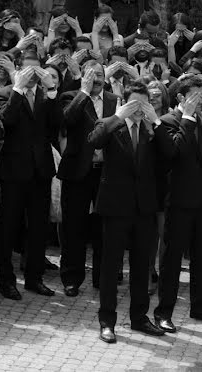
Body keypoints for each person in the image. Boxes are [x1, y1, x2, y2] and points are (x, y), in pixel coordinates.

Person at [88, 79, 168, 343]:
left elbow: (171, 153)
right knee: (111, 267)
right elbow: (94, 141)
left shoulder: (152, 129)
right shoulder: (111, 124)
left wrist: (155, 120)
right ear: (125, 102)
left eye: (141, 104)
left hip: (144, 208)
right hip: (115, 207)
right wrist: (118, 116)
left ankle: (139, 318)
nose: (137, 109)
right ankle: (106, 321)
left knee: (141, 266)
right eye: (133, 103)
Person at [152, 77, 202, 331]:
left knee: (201, 258)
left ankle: (200, 307)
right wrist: (190, 117)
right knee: (171, 260)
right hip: (178, 201)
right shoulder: (170, 121)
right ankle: (163, 312)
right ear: (181, 99)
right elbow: (175, 152)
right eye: (196, 96)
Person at [0, 52, 63, 301]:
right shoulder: (4, 93)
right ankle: (5, 280)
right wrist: (18, 87)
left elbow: (58, 123)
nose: (34, 76)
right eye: (29, 71)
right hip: (13, 171)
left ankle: (35, 279)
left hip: (41, 170)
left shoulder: (47, 96)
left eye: (38, 71)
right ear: (18, 69)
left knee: (38, 227)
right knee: (8, 227)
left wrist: (53, 90)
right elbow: (8, 120)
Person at [57, 63, 118, 296]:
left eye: (100, 75)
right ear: (83, 78)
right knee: (74, 226)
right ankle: (71, 278)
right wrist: (83, 92)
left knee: (104, 228)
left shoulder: (114, 99)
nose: (96, 80)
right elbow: (66, 121)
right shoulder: (70, 97)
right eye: (91, 76)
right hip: (77, 171)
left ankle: (102, 278)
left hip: (106, 172)